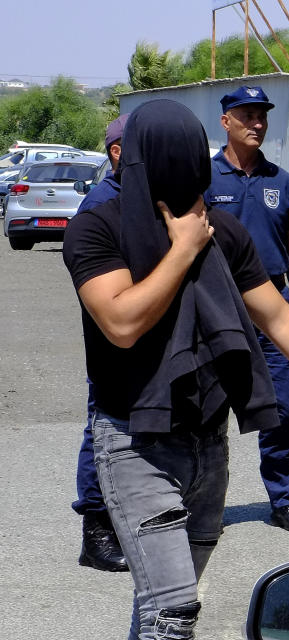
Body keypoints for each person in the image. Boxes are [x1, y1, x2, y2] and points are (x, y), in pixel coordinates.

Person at [62, 99, 289, 640]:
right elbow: (121, 322)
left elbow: (277, 318)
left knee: (166, 608)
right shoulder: (95, 229)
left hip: (209, 444)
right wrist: (183, 250)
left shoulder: (224, 232)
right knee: (173, 611)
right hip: (135, 443)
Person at [204, 86, 289, 532]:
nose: (257, 123)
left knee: (282, 410)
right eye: (247, 115)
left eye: (262, 116)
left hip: (273, 306)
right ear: (225, 121)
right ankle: (199, 504)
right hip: (215, 303)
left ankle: (286, 499)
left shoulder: (281, 181)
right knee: (204, 410)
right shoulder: (203, 178)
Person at [73, 113, 128, 573]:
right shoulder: (101, 205)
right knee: (102, 427)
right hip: (113, 339)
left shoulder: (139, 197)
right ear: (117, 151)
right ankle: (96, 532)